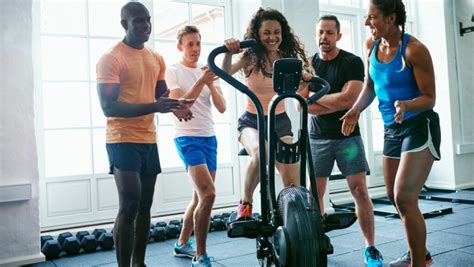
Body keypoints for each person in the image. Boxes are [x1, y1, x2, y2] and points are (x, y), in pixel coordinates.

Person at [341, 0, 440, 266]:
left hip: (419, 125)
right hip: (391, 129)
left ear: (391, 17)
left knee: (404, 197)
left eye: (372, 17)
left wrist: (407, 104)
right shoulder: (371, 46)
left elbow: (430, 98)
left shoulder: (415, 50)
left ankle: (418, 262)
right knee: (395, 198)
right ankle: (420, 253)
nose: (366, 22)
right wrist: (356, 110)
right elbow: (370, 85)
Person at [96, 2, 193, 266]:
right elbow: (108, 107)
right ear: (124, 24)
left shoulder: (155, 58)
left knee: (144, 206)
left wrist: (177, 106)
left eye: (148, 20)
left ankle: (139, 263)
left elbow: (160, 96)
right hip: (121, 138)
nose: (146, 25)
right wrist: (155, 106)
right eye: (138, 20)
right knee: (129, 204)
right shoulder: (112, 58)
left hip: (148, 139)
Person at [299, 15, 383, 267]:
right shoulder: (308, 65)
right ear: (316, 36)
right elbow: (302, 106)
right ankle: (318, 241)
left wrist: (316, 99)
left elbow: (350, 100)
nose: (324, 37)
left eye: (329, 33)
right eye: (320, 33)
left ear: (338, 36)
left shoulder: (352, 62)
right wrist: (324, 102)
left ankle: (371, 248)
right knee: (315, 194)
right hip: (317, 138)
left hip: (347, 138)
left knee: (359, 190)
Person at [222, 7, 310, 220]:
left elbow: (299, 91)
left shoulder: (287, 58)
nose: (272, 37)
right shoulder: (250, 57)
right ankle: (245, 204)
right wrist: (227, 52)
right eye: (267, 33)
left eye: (276, 32)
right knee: (261, 154)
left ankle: (291, 218)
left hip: (280, 122)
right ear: (258, 35)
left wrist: (303, 78)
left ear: (283, 33)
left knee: (293, 181)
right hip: (251, 122)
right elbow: (225, 73)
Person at [165, 25, 226, 267]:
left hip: (209, 137)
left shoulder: (208, 71)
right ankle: (201, 254)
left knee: (199, 196)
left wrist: (211, 83)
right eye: (190, 44)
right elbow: (183, 105)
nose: (195, 48)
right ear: (181, 47)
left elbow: (222, 107)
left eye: (198, 43)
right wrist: (202, 79)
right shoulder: (173, 70)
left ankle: (181, 243)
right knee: (209, 194)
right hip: (187, 138)